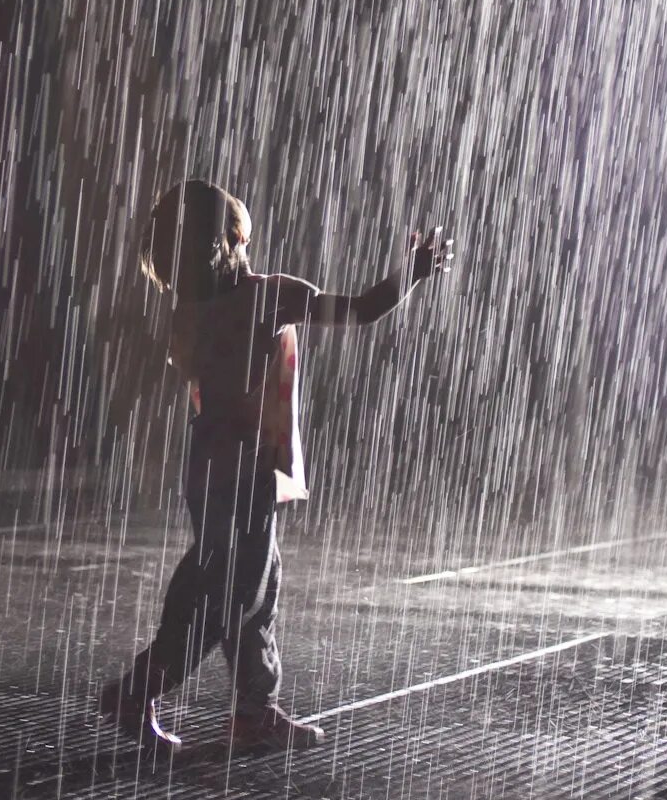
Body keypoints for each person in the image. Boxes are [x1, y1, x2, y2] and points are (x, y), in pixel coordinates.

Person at [97, 179, 453, 753]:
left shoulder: (188, 311)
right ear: (233, 236)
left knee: (244, 584)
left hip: (209, 464)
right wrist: (411, 272)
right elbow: (357, 311)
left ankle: (250, 709)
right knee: (234, 594)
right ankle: (144, 691)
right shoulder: (266, 295)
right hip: (244, 469)